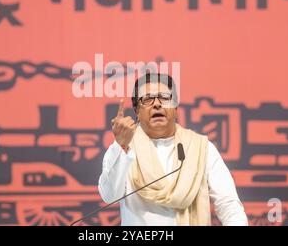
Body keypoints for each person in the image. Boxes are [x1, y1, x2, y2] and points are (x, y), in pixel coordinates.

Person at [98, 73, 248, 225]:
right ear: (137, 111)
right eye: (148, 99)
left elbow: (228, 203)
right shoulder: (122, 148)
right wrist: (121, 147)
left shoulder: (201, 148)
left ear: (176, 108)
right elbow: (109, 196)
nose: (157, 104)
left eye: (164, 98)